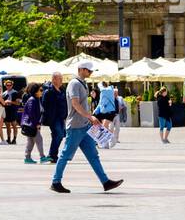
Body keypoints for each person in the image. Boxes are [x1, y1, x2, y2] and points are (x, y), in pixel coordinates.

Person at [51, 60, 122, 193]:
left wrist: (89, 119)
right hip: (75, 126)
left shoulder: (83, 84)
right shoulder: (74, 83)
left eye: (90, 71)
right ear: (81, 69)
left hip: (84, 126)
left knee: (93, 155)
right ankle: (55, 182)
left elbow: (81, 105)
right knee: (66, 154)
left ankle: (105, 182)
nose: (90, 73)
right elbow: (75, 104)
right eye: (88, 70)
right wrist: (90, 117)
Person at [42, 73, 67, 162]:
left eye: (61, 78)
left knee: (60, 135)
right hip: (53, 118)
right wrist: (48, 117)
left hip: (61, 117)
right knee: (59, 134)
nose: (61, 81)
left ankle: (53, 155)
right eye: (60, 79)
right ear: (54, 80)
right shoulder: (48, 91)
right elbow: (44, 105)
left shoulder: (62, 90)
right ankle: (52, 155)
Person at [21, 83, 47, 164]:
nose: (42, 92)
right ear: (36, 91)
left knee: (31, 142)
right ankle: (42, 157)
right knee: (39, 139)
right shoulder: (32, 100)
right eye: (41, 90)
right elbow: (32, 114)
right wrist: (37, 124)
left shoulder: (36, 99)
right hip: (31, 125)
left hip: (31, 124)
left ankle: (27, 158)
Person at [1, 78, 21, 144]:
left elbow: (18, 103)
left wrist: (10, 102)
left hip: (13, 110)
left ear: (12, 85)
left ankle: (14, 139)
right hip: (6, 110)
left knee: (14, 125)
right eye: (7, 85)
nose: (8, 86)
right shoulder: (4, 93)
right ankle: (9, 138)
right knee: (7, 126)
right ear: (5, 85)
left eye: (10, 85)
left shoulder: (15, 93)